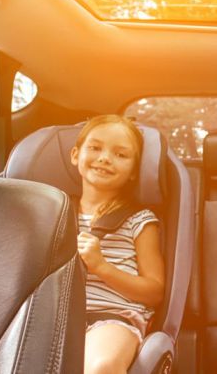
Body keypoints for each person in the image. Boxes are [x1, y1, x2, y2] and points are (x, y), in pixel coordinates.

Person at [71, 115, 166, 374]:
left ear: (134, 171)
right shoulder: (52, 212)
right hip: (53, 316)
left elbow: (154, 292)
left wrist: (101, 267)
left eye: (120, 155)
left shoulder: (139, 220)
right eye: (95, 148)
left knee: (102, 367)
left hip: (112, 318)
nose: (105, 158)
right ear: (75, 155)